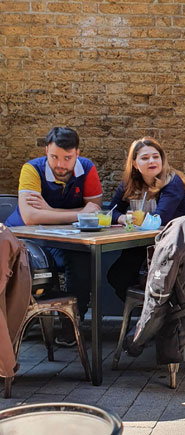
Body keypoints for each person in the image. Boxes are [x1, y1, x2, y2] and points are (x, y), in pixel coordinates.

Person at [4, 127, 103, 346]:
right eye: (54, 157)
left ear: (77, 153)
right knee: (35, 264)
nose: (60, 164)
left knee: (82, 259)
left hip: (65, 239)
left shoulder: (87, 168)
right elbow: (30, 217)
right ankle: (24, 318)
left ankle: (72, 323)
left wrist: (48, 211)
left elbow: (95, 210)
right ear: (46, 150)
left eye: (67, 158)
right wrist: (78, 214)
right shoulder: (31, 169)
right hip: (26, 238)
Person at [107, 137, 185, 301]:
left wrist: (135, 219)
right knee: (116, 276)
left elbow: (159, 219)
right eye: (145, 158)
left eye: (155, 156)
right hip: (141, 244)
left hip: (170, 246)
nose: (151, 161)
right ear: (135, 164)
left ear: (162, 159)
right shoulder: (130, 184)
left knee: (123, 276)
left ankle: (151, 317)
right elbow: (111, 212)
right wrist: (123, 218)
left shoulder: (172, 182)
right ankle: (146, 316)